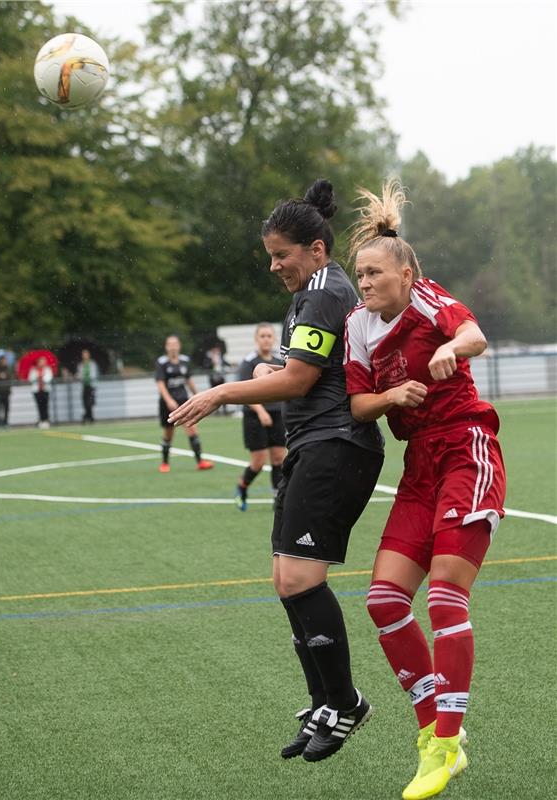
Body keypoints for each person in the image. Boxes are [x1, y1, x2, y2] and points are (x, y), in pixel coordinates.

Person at [169, 180, 385, 762]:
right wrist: (272, 368)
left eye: (281, 254)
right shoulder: (314, 291)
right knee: (286, 579)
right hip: (313, 444)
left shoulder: (324, 289)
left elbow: (298, 382)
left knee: (299, 579)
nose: (273, 266)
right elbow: (304, 367)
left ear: (316, 249)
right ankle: (326, 700)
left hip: (335, 446)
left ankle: (344, 703)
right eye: (270, 255)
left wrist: (221, 392)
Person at [343, 180, 507, 800]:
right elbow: (360, 404)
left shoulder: (430, 299)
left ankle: (445, 742)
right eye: (360, 274)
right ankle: (433, 734)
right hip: (418, 468)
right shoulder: (360, 326)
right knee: (385, 602)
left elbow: (473, 336)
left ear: (407, 274)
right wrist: (391, 396)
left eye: (375, 273)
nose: (364, 283)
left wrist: (451, 351)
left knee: (444, 598)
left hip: (466, 449)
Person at [235, 323, 286, 511]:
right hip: (254, 415)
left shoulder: (278, 361)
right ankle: (242, 487)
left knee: (279, 458)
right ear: (256, 339)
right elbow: (244, 391)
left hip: (277, 414)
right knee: (258, 461)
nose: (266, 339)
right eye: (262, 336)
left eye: (269, 336)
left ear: (274, 339)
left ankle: (277, 497)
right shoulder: (249, 362)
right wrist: (261, 411)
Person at [155, 334, 214, 473]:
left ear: (179, 346)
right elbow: (160, 383)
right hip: (168, 404)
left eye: (175, 344)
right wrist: (169, 400)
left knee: (192, 428)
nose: (173, 346)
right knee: (168, 433)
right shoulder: (162, 362)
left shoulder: (184, 361)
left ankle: (200, 462)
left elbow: (189, 380)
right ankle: (164, 463)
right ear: (166, 347)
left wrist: (198, 395)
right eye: (170, 344)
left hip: (184, 401)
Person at [28, 356, 53, 429]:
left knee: (45, 405)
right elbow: (30, 379)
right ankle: (41, 420)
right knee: (39, 406)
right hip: (37, 390)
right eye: (41, 361)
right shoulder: (33, 369)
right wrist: (37, 377)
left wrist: (42, 377)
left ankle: (46, 420)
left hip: (45, 390)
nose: (43, 363)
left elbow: (49, 378)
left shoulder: (47, 369)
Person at [76, 348, 98, 423]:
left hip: (91, 385)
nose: (84, 356)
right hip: (84, 385)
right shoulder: (81, 364)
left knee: (90, 402)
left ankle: (87, 417)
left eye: (86, 354)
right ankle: (89, 417)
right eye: (83, 354)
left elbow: (94, 374)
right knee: (85, 402)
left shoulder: (92, 364)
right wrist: (78, 376)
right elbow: (79, 375)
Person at [0, 355, 12, 427]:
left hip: (6, 391)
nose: (5, 362)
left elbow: (10, 379)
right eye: (3, 360)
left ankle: (6, 422)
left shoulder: (8, 369)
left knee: (6, 408)